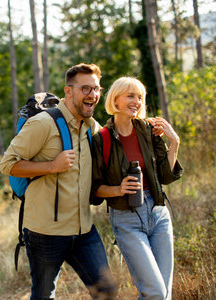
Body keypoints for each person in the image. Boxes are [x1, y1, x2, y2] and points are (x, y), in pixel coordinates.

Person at [0, 63, 117, 299]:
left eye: (96, 89)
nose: (92, 95)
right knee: (44, 295)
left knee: (107, 291)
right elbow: (7, 164)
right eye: (85, 88)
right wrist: (52, 166)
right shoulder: (42, 124)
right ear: (68, 91)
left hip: (84, 230)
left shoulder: (91, 127)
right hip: (45, 233)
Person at [91, 77, 183, 299]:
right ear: (116, 99)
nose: (137, 101)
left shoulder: (148, 130)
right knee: (155, 292)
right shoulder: (101, 139)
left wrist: (175, 143)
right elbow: (93, 189)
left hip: (159, 214)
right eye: (131, 96)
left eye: (140, 97)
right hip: (126, 219)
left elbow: (166, 176)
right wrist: (118, 189)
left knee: (164, 294)